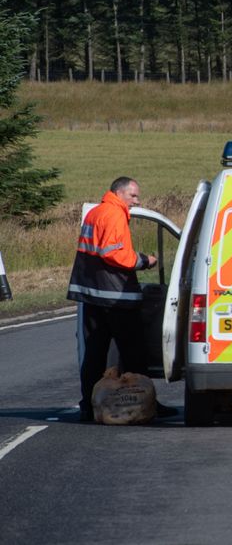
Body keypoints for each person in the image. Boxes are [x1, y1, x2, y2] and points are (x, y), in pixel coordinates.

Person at [67, 177, 177, 422]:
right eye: (133, 196)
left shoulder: (95, 213)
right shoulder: (115, 214)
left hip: (93, 294)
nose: (136, 201)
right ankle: (144, 403)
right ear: (119, 193)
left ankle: (89, 405)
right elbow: (113, 252)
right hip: (116, 296)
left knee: (94, 353)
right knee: (134, 353)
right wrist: (143, 261)